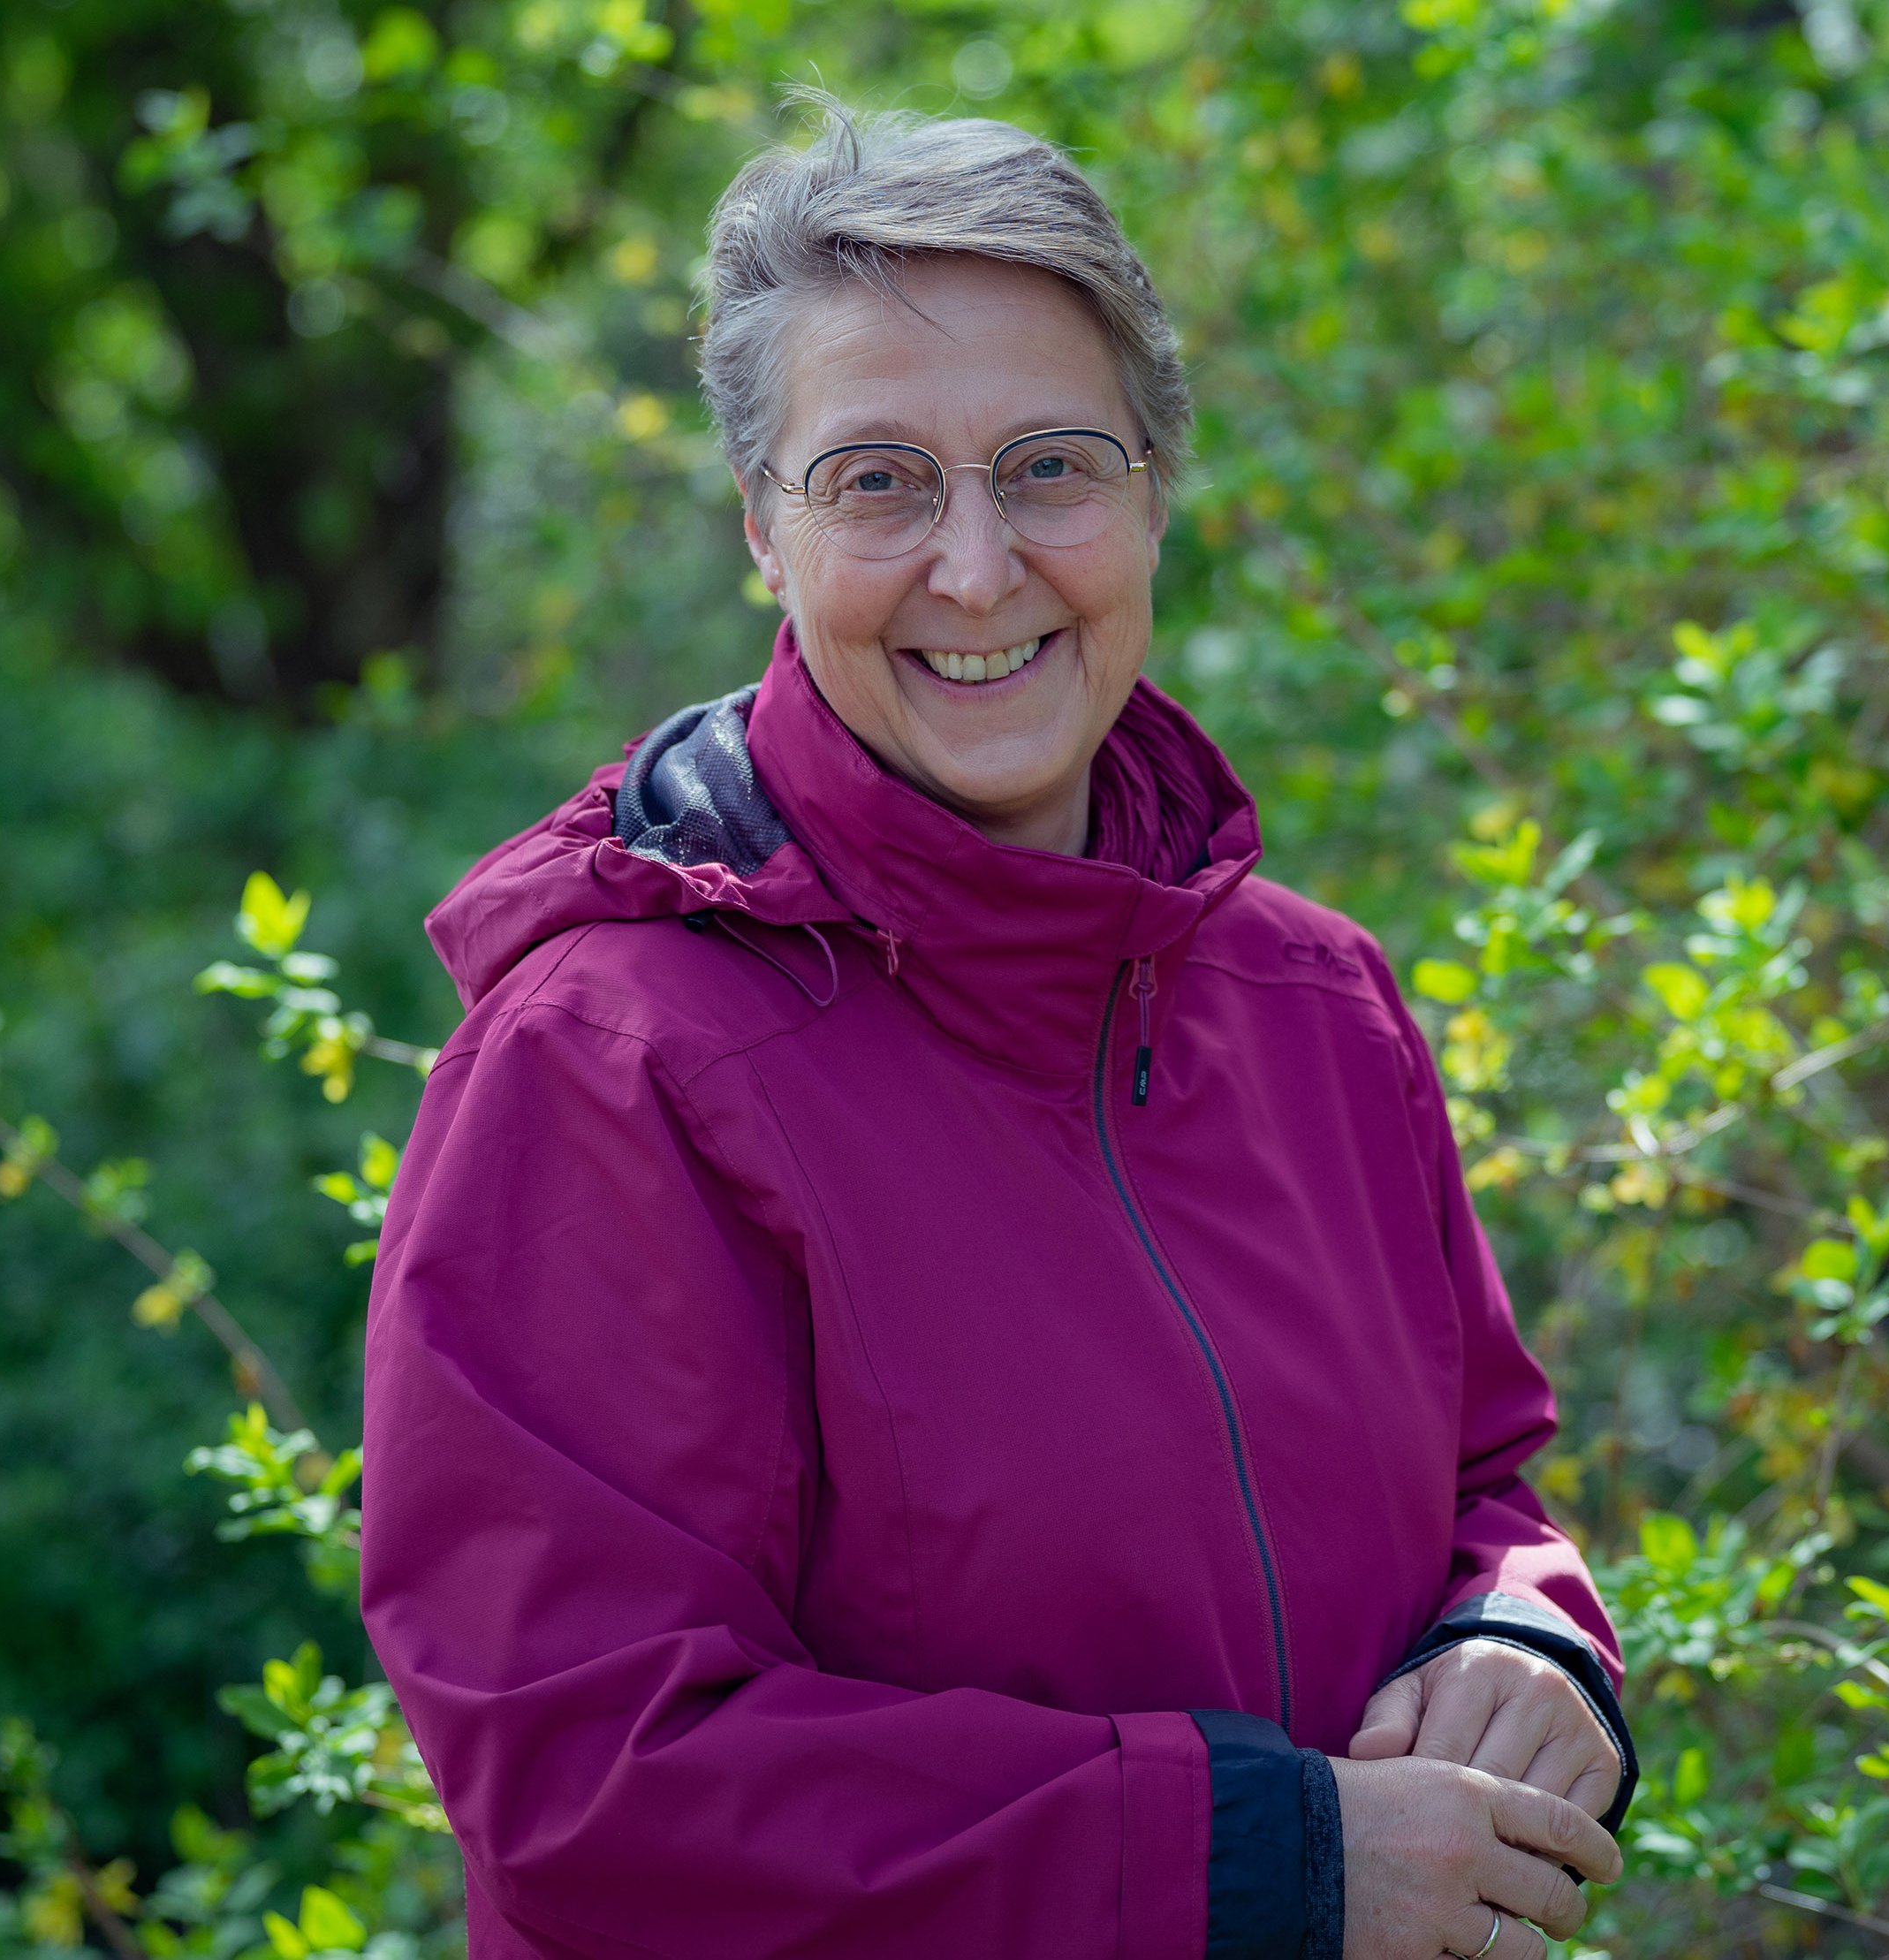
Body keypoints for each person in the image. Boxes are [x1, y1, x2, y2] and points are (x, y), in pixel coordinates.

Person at [359, 100, 1635, 1960]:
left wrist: (1532, 1631)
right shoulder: (609, 1065)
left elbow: (1479, 1489)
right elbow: (593, 1786)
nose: (977, 565)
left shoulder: (1315, 1005)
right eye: (877, 480)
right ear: (760, 529)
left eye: (1050, 466)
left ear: (1150, 494)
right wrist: (1265, 1863)